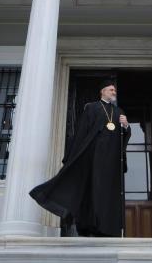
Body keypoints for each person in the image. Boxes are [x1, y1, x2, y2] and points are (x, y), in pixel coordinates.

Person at [29, 82, 130, 237]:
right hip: (92, 158)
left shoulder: (119, 112)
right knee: (91, 191)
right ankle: (88, 227)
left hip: (111, 162)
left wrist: (126, 126)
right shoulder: (92, 108)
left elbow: (123, 137)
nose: (113, 91)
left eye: (115, 90)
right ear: (102, 91)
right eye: (111, 89)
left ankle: (106, 229)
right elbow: (82, 132)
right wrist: (73, 156)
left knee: (107, 194)